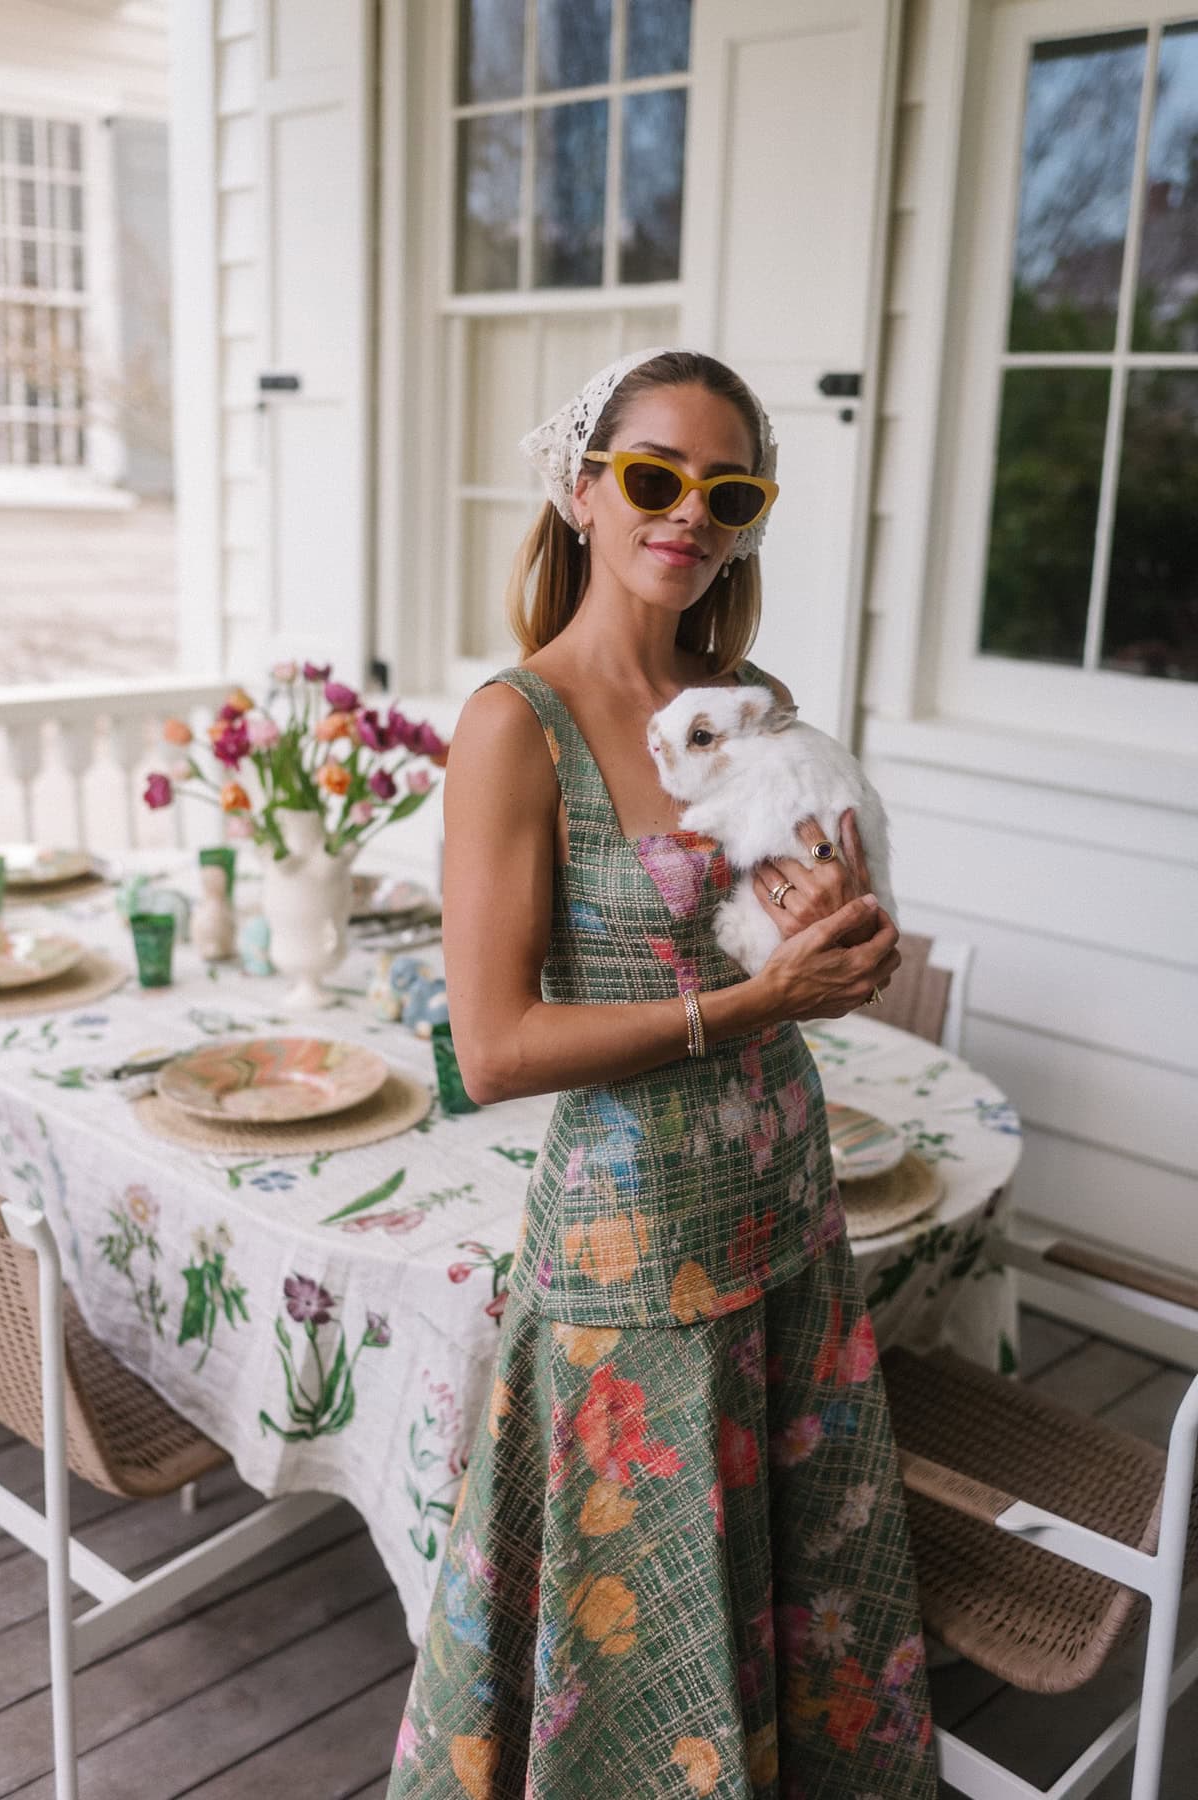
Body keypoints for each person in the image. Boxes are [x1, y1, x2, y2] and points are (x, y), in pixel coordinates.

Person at [388, 349, 936, 1799]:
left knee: (787, 1612)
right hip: (635, 1267)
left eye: (727, 489)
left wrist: (843, 947)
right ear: (580, 492)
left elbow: (806, 941)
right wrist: (755, 1003)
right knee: (639, 1652)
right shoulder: (519, 727)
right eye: (651, 476)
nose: (686, 513)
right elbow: (496, 1048)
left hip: (788, 1220)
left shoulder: (749, 702)